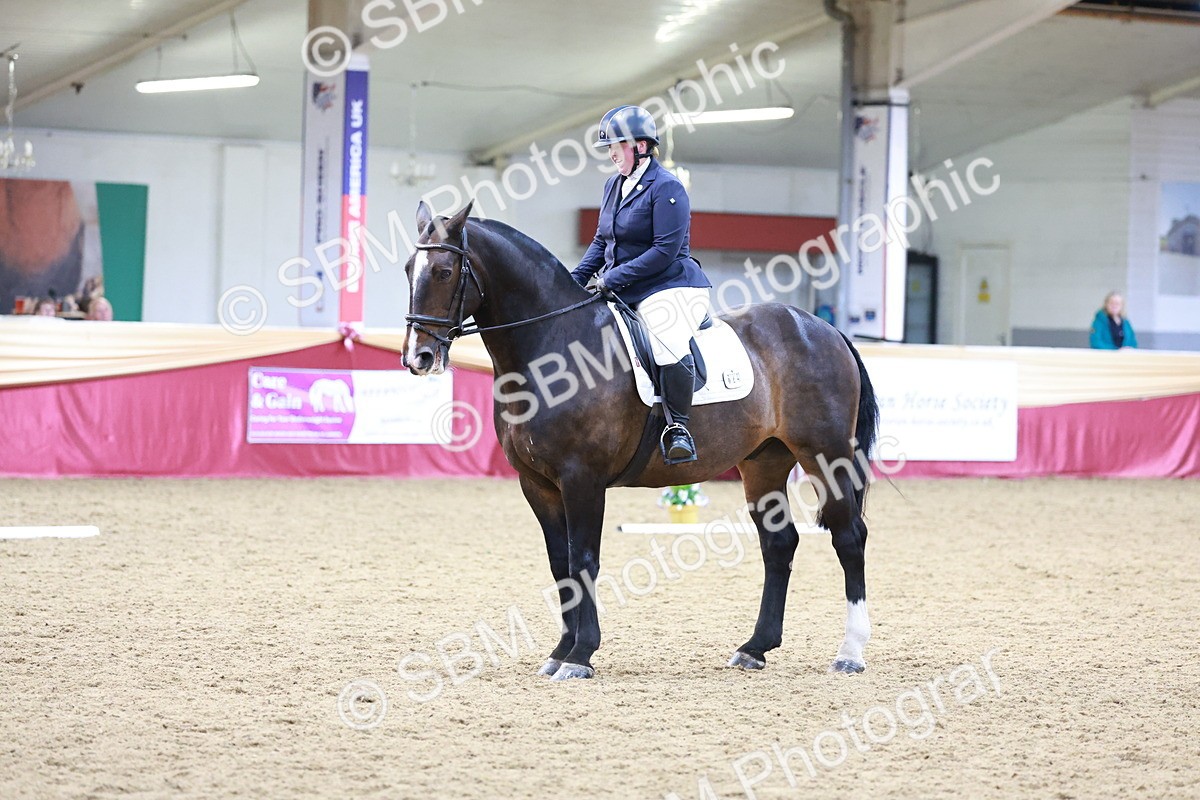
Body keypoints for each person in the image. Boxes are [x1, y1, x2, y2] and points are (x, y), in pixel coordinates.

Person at [572, 105, 713, 464]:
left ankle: (678, 428)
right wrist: (572, 282)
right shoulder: (612, 185)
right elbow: (602, 241)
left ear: (642, 146)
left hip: (671, 285)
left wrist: (610, 278)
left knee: (664, 341)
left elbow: (664, 251)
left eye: (617, 145)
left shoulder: (667, 187)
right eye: (610, 147)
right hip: (624, 287)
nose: (612, 153)